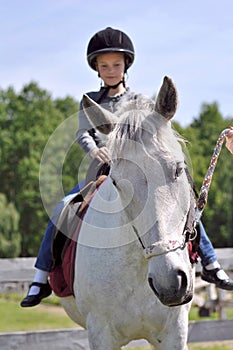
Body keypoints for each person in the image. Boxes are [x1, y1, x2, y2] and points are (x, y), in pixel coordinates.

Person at [20, 27, 233, 308]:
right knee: (62, 208)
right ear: (96, 68)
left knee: (184, 202)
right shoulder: (91, 101)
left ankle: (210, 262)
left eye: (116, 65)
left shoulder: (138, 100)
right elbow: (83, 132)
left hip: (136, 170)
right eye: (104, 65)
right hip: (98, 171)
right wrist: (94, 149)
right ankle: (40, 278)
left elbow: (151, 128)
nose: (110, 70)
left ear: (125, 66)